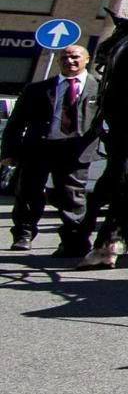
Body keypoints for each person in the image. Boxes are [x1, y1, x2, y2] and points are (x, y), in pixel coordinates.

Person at [6, 45, 102, 250]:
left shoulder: (102, 90)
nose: (70, 61)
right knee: (28, 192)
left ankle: (73, 240)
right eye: (65, 57)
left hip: (77, 150)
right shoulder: (37, 89)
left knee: (72, 194)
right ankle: (23, 233)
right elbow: (16, 123)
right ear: (58, 61)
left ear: (86, 60)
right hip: (39, 147)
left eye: (75, 57)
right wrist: (9, 152)